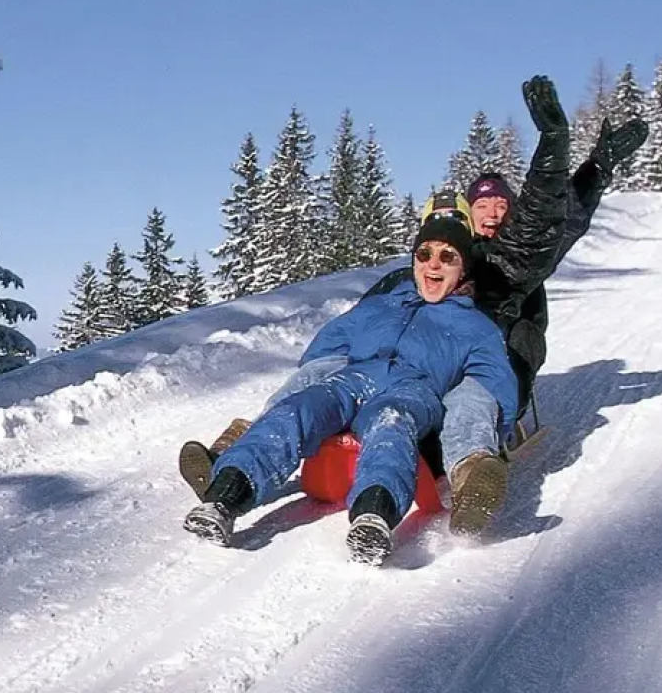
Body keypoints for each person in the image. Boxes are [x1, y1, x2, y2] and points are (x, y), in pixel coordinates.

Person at [180, 76, 648, 536]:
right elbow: (360, 323)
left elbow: (547, 223)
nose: (493, 213)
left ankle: (470, 471)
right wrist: (331, 360)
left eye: (502, 205)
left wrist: (580, 163)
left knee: (465, 400)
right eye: (480, 207)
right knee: (312, 380)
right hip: (386, 369)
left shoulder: (503, 268)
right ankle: (238, 453)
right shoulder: (407, 280)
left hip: (469, 365)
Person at [183, 196, 519, 565]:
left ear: (463, 269)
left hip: (414, 389)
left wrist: (495, 431)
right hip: (353, 379)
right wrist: (314, 378)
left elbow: (491, 380)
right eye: (424, 254)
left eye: (447, 257)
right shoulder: (380, 306)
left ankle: (373, 516)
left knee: (390, 424)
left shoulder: (475, 325)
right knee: (299, 409)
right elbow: (331, 343)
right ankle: (224, 499)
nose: (433, 264)